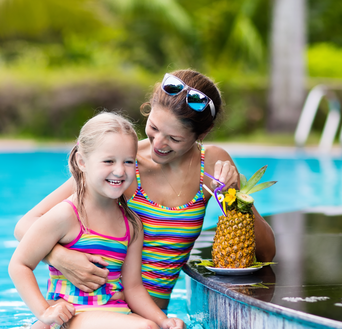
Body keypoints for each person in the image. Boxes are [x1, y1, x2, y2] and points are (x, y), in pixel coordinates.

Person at [15, 69, 276, 311]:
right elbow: (26, 224)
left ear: (202, 134)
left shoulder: (211, 164)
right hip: (98, 309)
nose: (159, 144)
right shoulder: (123, 165)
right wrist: (61, 258)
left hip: (153, 317)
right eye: (153, 128)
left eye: (174, 139)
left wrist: (234, 200)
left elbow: (266, 253)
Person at [8, 112, 185, 329]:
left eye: (128, 161)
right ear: (82, 162)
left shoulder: (131, 224)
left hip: (116, 313)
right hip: (74, 317)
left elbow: (132, 288)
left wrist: (163, 320)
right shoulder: (66, 215)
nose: (120, 171)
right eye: (109, 161)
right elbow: (19, 265)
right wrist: (46, 312)